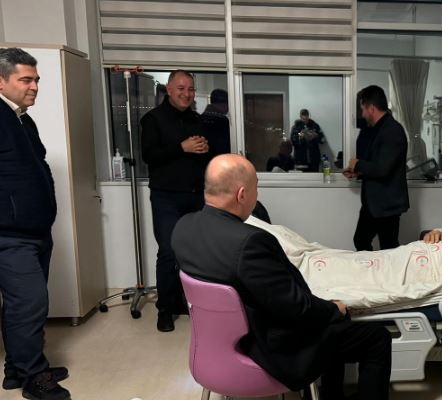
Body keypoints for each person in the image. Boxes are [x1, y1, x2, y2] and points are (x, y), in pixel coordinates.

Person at [172, 154, 392, 400]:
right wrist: (333, 308)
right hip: (267, 350)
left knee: (331, 325)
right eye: (256, 188)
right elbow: (296, 307)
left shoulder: (183, 228)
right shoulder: (250, 242)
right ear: (242, 194)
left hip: (212, 346)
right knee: (375, 337)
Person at [0, 48, 70, 400]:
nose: (34, 87)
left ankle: (17, 369)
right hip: (10, 234)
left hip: (35, 230)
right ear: (1, 81)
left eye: (36, 80)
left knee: (22, 305)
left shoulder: (22, 119)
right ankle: (34, 377)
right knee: (30, 303)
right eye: (25, 80)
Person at [141, 69, 217, 332]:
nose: (187, 94)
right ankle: (164, 309)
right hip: (167, 197)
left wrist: (205, 151)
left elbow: (204, 156)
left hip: (196, 195)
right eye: (181, 88)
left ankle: (184, 301)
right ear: (169, 90)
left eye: (191, 89)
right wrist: (181, 148)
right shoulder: (153, 119)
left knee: (194, 252)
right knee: (168, 251)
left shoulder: (197, 119)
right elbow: (149, 156)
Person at [344, 86, 409, 251]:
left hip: (387, 205)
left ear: (371, 108)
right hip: (374, 204)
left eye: (363, 109)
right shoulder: (377, 129)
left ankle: (386, 268)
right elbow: (376, 162)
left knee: (388, 247)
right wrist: (358, 172)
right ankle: (371, 267)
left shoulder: (392, 131)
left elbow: (383, 169)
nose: (362, 114)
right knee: (361, 240)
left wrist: (357, 164)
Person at [200, 88, 231, 156]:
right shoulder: (223, 121)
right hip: (220, 158)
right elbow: (225, 146)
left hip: (203, 159)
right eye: (228, 104)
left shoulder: (200, 118)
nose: (228, 108)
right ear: (223, 105)